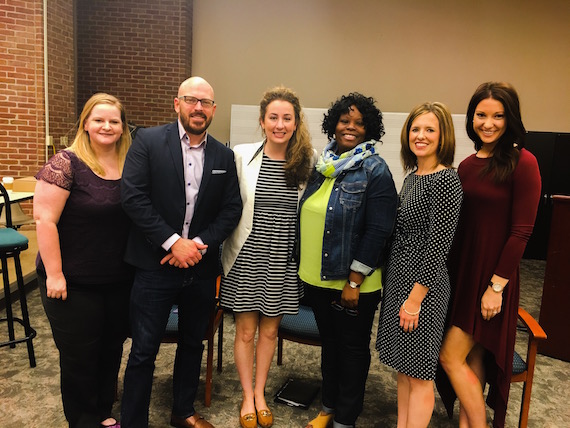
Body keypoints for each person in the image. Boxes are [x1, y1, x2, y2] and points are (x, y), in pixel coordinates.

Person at [120, 76, 242, 428]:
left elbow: (230, 209)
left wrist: (197, 245)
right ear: (178, 103)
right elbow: (133, 197)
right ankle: (134, 422)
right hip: (154, 265)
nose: (198, 107)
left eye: (205, 102)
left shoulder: (223, 154)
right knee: (144, 350)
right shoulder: (147, 141)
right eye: (191, 100)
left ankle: (183, 411)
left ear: (214, 110)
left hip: (200, 269)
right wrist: (175, 243)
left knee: (193, 343)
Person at [436, 82, 541, 428]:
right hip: (464, 273)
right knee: (473, 356)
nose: (489, 123)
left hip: (493, 278)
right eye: (482, 115)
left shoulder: (523, 162)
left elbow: (522, 231)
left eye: (498, 116)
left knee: (450, 357)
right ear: (471, 118)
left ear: (510, 119)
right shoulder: (466, 165)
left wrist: (496, 287)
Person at [298, 93, 398, 428]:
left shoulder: (375, 170)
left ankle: (346, 418)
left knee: (352, 350)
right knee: (329, 345)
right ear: (334, 124)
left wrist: (354, 280)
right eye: (344, 121)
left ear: (370, 129)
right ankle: (328, 407)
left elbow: (379, 229)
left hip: (353, 283)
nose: (350, 128)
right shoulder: (323, 165)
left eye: (359, 123)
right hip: (317, 278)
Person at [34, 93, 133, 428]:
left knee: (110, 349)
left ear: (123, 127)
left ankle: (104, 412)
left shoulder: (131, 163)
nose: (106, 126)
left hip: (118, 278)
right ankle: (84, 420)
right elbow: (44, 220)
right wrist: (55, 274)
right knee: (80, 356)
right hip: (73, 281)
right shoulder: (66, 163)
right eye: (99, 120)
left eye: (114, 121)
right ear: (86, 124)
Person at [221, 86, 316, 428]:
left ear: (295, 122)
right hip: (247, 254)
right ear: (262, 121)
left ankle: (261, 393)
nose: (279, 124)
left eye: (286, 118)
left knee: (270, 333)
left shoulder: (309, 160)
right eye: (273, 117)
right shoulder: (241, 155)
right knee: (246, 332)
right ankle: (247, 396)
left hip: (282, 257)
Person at [376, 102, 462, 427]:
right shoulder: (414, 177)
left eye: (429, 130)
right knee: (404, 367)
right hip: (400, 279)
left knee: (420, 373)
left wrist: (415, 299)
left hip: (422, 288)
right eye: (415, 129)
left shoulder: (445, 181)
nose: (420, 136)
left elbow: (438, 247)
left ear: (443, 137)